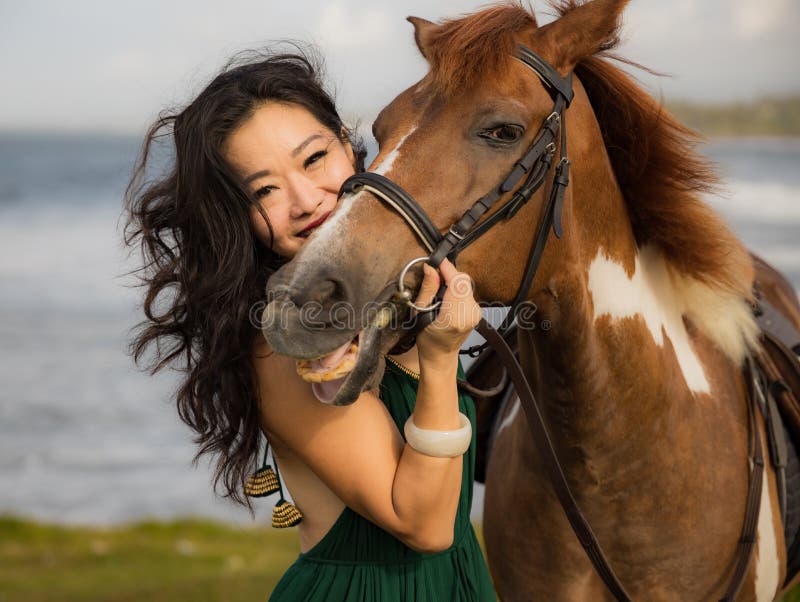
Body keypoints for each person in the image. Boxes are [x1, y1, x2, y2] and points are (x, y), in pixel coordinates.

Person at [124, 48, 497, 601]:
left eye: (315, 158)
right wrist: (441, 361)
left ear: (349, 146)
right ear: (237, 217)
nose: (305, 200)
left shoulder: (395, 294)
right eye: (264, 191)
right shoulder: (282, 346)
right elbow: (424, 525)